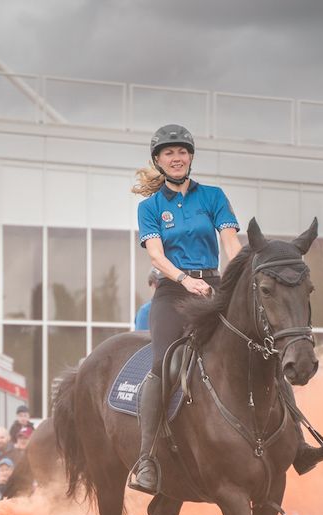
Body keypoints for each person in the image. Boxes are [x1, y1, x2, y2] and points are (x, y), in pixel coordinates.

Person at [129, 123, 242, 493]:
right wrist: (184, 280)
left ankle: (299, 442)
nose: (176, 158)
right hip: (172, 292)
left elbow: (230, 243)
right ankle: (146, 458)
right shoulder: (150, 207)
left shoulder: (212, 196)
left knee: (259, 343)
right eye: (168, 153)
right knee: (163, 363)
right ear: (158, 161)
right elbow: (156, 256)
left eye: (182, 152)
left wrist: (237, 276)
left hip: (214, 285)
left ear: (191, 157)